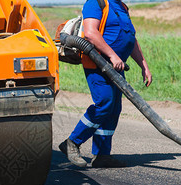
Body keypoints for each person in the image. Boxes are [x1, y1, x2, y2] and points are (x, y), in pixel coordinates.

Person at [59, 0, 152, 168]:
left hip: (116, 67)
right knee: (105, 104)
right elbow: (90, 33)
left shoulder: (122, 7)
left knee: (114, 108)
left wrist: (143, 66)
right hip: (98, 64)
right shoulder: (96, 3)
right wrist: (112, 55)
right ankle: (72, 143)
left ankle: (102, 155)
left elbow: (131, 38)